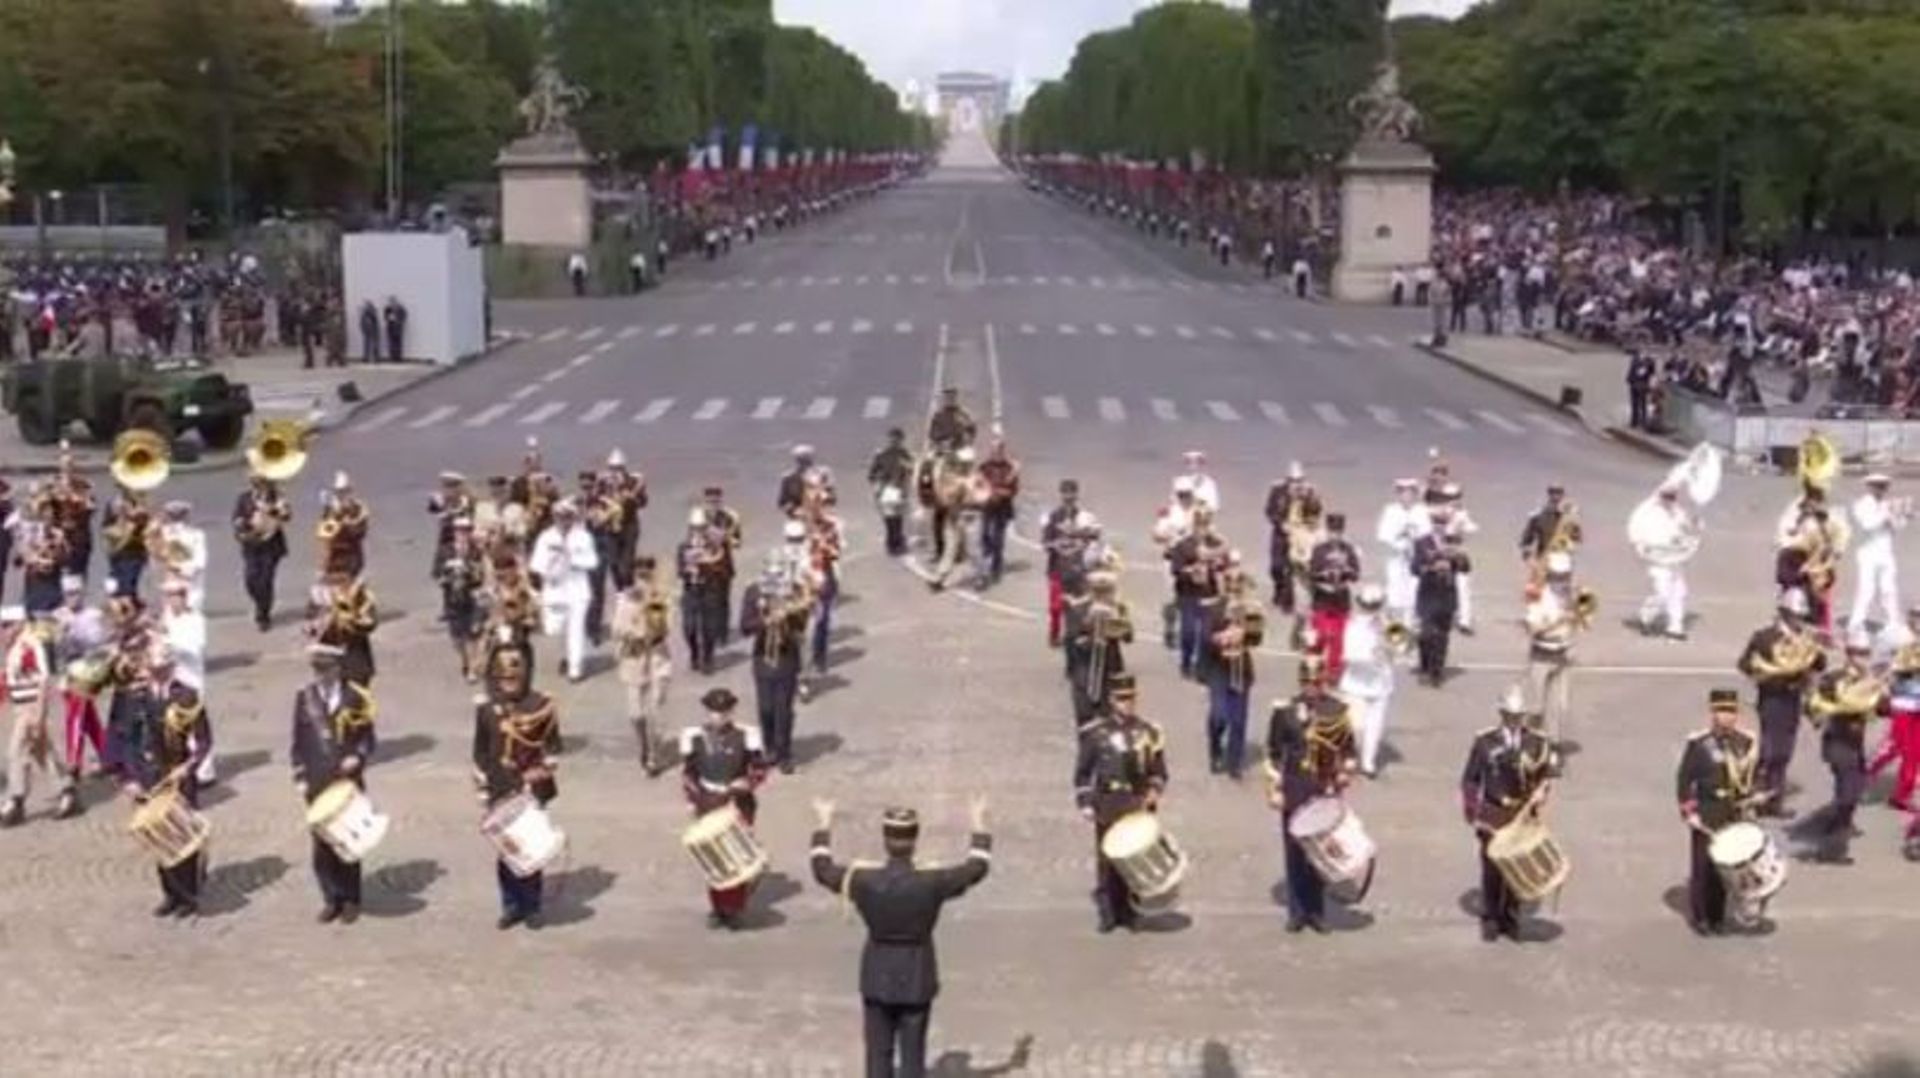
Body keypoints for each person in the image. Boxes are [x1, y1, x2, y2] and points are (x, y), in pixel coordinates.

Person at [810, 796, 992, 1078]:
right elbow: (976, 868)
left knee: (877, 1055)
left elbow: (822, 870)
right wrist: (979, 823)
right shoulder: (932, 882)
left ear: (885, 839)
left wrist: (823, 823)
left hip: (877, 975)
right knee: (913, 1057)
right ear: (915, 839)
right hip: (917, 975)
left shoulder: (864, 880)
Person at [471, 647, 560, 930]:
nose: (509, 682)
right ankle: (510, 904)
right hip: (500, 787)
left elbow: (553, 748)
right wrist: (482, 782)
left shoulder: (540, 705)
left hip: (530, 788)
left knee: (530, 847)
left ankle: (531, 905)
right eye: (504, 677)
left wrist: (543, 768)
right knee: (506, 851)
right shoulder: (487, 709)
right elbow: (481, 750)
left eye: (515, 676)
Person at [1461, 686, 1560, 942]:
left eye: (1518, 716)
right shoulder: (1485, 742)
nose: (1514, 721)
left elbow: (1545, 774)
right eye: (1509, 715)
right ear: (1501, 714)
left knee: (1518, 868)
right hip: (1493, 813)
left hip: (1521, 813)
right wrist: (1474, 812)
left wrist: (1542, 792)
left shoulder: (1536, 742)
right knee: (1492, 868)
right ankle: (1491, 917)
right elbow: (1471, 779)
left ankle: (1511, 917)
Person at [1072, 673, 1167, 933]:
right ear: (1111, 700)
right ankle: (1107, 911)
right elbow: (1083, 773)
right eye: (1121, 699)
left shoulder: (1147, 732)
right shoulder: (1096, 733)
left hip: (1135, 802)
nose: (1126, 704)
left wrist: (1154, 791)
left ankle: (1129, 910)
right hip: (1108, 801)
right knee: (1107, 859)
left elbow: (1158, 771)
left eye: (1130, 698)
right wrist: (1085, 803)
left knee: (1133, 860)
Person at [289, 644, 376, 924]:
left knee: (348, 840)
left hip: (348, 780)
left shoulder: (356, 697)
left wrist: (358, 756)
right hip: (317, 780)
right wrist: (300, 776)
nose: (320, 674)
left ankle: (352, 898)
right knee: (321, 846)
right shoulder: (305, 697)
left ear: (338, 668)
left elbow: (368, 738)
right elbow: (297, 741)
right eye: (317, 669)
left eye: (325, 669)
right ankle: (331, 898)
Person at [1267, 668, 1357, 933]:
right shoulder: (1285, 711)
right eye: (1306, 682)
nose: (1311, 687)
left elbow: (1349, 749)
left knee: (1320, 853)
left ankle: (1317, 911)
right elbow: (1273, 752)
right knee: (1294, 851)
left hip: (1323, 788)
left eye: (1316, 682)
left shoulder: (1337, 711)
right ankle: (1297, 911)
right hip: (1295, 787)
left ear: (1324, 682)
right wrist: (1274, 787)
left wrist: (1345, 772)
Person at [679, 688, 768, 929]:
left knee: (736, 854)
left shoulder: (747, 736)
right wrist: (693, 799)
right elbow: (689, 773)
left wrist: (744, 784)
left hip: (738, 801)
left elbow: (759, 770)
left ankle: (735, 907)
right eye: (714, 712)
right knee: (714, 857)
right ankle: (718, 907)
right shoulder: (693, 737)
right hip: (708, 800)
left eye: (723, 712)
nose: (718, 716)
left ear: (731, 712)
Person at [132, 653, 211, 918]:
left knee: (183, 835)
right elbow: (131, 737)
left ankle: (190, 895)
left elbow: (203, 741)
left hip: (179, 774)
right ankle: (170, 894)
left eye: (161, 668)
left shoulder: (187, 696)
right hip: (152, 776)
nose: (156, 672)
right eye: (152, 668)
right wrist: (131, 777)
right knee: (160, 835)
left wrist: (188, 767)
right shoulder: (141, 696)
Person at [1676, 689, 1761, 934]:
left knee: (1726, 867)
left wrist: (1754, 801)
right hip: (1707, 811)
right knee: (1703, 867)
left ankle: (1717, 916)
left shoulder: (1745, 743)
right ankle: (1701, 917)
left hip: (1733, 812)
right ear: (1712, 713)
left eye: (1731, 711)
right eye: (1721, 711)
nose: (1726, 717)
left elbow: (1751, 777)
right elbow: (1684, 779)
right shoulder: (1699, 744)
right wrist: (1689, 811)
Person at [1736, 590, 1823, 817]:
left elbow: (1818, 666)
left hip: (1793, 697)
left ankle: (1773, 800)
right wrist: (1763, 673)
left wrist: (1816, 649)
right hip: (1772, 697)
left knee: (1784, 751)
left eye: (1801, 616)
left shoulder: (1804, 638)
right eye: (1795, 615)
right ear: (1783, 613)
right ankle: (1749, 791)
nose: (1799, 620)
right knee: (1769, 750)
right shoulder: (1765, 637)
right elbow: (1745, 663)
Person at [1804, 635, 1888, 861]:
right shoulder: (1834, 679)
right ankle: (1831, 848)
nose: (1863, 659)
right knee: (1848, 792)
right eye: (1859, 654)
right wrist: (1823, 713)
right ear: (1849, 655)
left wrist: (1883, 694)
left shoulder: (1868, 680)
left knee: (1854, 788)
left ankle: (1834, 826)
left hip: (1855, 742)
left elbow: (1883, 710)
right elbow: (1814, 705)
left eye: (1866, 654)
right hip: (1837, 741)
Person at [2, 608, 71, 826]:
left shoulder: (30, 644)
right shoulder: (13, 647)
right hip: (20, 706)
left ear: (18, 624)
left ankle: (16, 798)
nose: (3, 631)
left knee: (16, 750)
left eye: (6, 626)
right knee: (42, 751)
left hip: (31, 706)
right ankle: (65, 789)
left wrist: (39, 713)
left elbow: (43, 679)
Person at [741, 554, 809, 773]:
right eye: (771, 575)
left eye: (779, 575)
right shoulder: (754, 592)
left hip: (787, 657)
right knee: (766, 708)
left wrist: (790, 614)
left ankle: (784, 752)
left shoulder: (794, 591)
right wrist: (766, 620)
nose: (775, 581)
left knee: (783, 710)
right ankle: (769, 747)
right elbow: (745, 626)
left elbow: (801, 625)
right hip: (763, 658)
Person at [1200, 565, 1261, 778]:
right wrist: (1223, 637)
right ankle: (1215, 746)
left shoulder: (1249, 609)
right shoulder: (1215, 608)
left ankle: (1234, 762)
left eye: (1238, 583)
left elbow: (1256, 638)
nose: (1235, 588)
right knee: (1219, 716)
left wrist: (1246, 631)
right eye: (1231, 583)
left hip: (1241, 668)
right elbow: (1206, 637)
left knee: (1238, 719)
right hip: (1220, 669)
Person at [612, 557, 672, 774]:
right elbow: (617, 629)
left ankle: (654, 757)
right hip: (634, 656)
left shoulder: (661, 597)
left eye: (648, 573)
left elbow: (666, 627)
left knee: (655, 709)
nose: (644, 578)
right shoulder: (626, 599)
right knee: (636, 713)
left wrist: (653, 605)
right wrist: (636, 618)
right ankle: (644, 744)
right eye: (640, 574)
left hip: (657, 656)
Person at [531, 499, 598, 683]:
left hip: (578, 590)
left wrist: (572, 558)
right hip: (554, 591)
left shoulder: (583, 537)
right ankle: (567, 657)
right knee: (555, 629)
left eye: (568, 517)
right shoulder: (546, 537)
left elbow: (593, 562)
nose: (564, 521)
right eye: (560, 517)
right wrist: (551, 564)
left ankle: (575, 668)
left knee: (576, 628)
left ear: (573, 517)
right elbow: (536, 565)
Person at [1522, 552, 1580, 743]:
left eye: (1565, 576)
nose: (1563, 581)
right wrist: (1557, 622)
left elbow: (1575, 623)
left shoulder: (1570, 597)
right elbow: (1533, 628)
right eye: (1558, 576)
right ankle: (1530, 743)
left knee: (1559, 706)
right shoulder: (1538, 596)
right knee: (1536, 707)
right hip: (1541, 654)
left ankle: (1552, 745)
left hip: (1562, 654)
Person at [1339, 584, 1395, 777]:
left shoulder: (1385, 624)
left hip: (1380, 682)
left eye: (1376, 606)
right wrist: (1373, 654)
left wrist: (1389, 642)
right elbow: (1349, 655)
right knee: (1356, 725)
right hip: (1357, 683)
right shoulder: (1353, 625)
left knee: (1375, 725)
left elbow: (1400, 645)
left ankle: (1368, 762)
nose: (1373, 610)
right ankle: (1350, 755)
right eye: (1370, 606)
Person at [1868, 604, 1920, 811]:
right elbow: (1878, 666)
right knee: (1895, 746)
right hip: (1902, 701)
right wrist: (1896, 669)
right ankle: (1865, 772)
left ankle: (1902, 794)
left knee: (1914, 752)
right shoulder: (1897, 638)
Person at [1631, 484, 1695, 640]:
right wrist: (1641, 545)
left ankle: (1675, 627)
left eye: (1672, 497)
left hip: (1674, 558)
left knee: (1679, 592)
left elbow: (1685, 530)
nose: (1670, 500)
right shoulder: (1649, 512)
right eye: (1667, 496)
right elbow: (1636, 530)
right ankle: (1646, 617)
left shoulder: (1678, 512)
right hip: (1657, 559)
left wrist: (1690, 533)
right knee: (1662, 592)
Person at [232, 473, 291, 632]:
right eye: (255, 484)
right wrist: (244, 525)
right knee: (250, 579)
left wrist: (271, 510)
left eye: (261, 484)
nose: (257, 488)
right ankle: (260, 602)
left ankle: (263, 615)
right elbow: (236, 518)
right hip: (251, 544)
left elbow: (286, 516)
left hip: (271, 545)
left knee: (265, 579)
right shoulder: (244, 498)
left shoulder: (277, 497)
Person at [1848, 474, 1906, 634]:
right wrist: (1884, 515)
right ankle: (1856, 623)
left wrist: (1899, 516)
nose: (1882, 489)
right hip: (1867, 553)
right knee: (1867, 588)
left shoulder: (1886, 505)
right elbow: (1867, 525)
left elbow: (1896, 528)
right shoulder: (1861, 505)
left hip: (1886, 552)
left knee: (1889, 588)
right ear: (1870, 487)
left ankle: (1893, 622)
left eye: (1884, 486)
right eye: (1878, 486)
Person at [1306, 514, 1360, 678]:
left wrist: (1346, 571)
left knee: (1338, 639)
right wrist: (1325, 574)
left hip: (1341, 599)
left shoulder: (1348, 550)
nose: (1335, 535)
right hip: (1322, 598)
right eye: (1332, 531)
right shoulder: (1319, 550)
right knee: (1320, 635)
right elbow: (1312, 574)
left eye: (1338, 532)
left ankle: (1334, 672)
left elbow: (1356, 574)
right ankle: (1312, 666)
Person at [1264, 462, 1321, 616]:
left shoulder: (1309, 492)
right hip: (1281, 534)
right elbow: (1269, 511)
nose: (1296, 484)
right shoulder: (1277, 491)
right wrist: (1280, 523)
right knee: (1276, 567)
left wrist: (1308, 501)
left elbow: (1316, 512)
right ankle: (1278, 589)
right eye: (1293, 480)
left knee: (1292, 568)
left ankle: (1287, 602)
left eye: (1299, 480)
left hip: (1299, 535)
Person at [1041, 480, 1092, 647]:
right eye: (1066, 493)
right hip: (1057, 567)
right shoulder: (1054, 517)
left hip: (1077, 568)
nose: (1069, 496)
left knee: (1077, 605)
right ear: (1061, 495)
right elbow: (1046, 542)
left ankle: (1074, 634)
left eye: (1072, 493)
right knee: (1056, 606)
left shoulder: (1083, 517)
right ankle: (1054, 633)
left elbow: (1090, 539)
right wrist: (1055, 545)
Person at [1412, 525, 1460, 686]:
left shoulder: (1453, 540)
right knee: (1426, 635)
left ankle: (1436, 672)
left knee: (1442, 637)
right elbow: (1414, 568)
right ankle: (1425, 663)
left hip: (1447, 596)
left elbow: (1465, 566)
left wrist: (1454, 560)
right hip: (1428, 595)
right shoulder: (1422, 543)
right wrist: (1432, 567)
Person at [1375, 479, 1427, 626]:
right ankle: (1396, 622)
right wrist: (1398, 542)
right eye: (1403, 493)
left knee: (1414, 588)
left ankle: (1410, 621)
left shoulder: (1421, 511)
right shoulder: (1390, 511)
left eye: (1410, 493)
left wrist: (1415, 541)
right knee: (1395, 589)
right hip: (1396, 557)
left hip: (1415, 558)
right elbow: (1383, 535)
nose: (1406, 496)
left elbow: (1426, 533)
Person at [677, 510, 723, 675]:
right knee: (689, 627)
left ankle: (708, 658)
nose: (698, 531)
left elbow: (721, 568)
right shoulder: (684, 546)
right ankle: (695, 652)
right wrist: (688, 568)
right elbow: (679, 571)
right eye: (695, 527)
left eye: (701, 527)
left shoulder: (714, 546)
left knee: (709, 627)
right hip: (691, 590)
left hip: (709, 590)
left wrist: (707, 564)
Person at [976, 439, 1020, 585]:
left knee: (998, 538)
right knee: (985, 535)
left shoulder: (1009, 469)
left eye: (998, 450)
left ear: (1002, 451)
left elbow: (1013, 490)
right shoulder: (984, 467)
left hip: (1002, 508)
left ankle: (996, 566)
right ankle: (986, 562)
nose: (995, 453)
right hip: (987, 507)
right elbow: (977, 484)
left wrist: (1000, 492)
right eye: (993, 450)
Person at [867, 428, 915, 557]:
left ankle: (897, 540)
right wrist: (879, 482)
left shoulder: (905, 454)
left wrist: (907, 471)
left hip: (900, 488)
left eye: (897, 439)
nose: (895, 442)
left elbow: (912, 470)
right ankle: (892, 541)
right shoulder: (882, 455)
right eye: (892, 439)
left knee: (898, 517)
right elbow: (872, 474)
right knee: (890, 517)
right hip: (887, 488)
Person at [100, 485, 152, 600]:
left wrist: (136, 516)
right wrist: (114, 533)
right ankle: (120, 609)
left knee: (129, 587)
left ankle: (130, 609)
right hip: (117, 552)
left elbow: (147, 527)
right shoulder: (113, 503)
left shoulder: (140, 503)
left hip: (135, 552)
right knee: (115, 586)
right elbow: (105, 526)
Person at [382, 295, 407, 362]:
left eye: (393, 301)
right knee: (391, 343)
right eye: (391, 301)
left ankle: (398, 357)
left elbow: (404, 316)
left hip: (398, 328)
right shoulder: (387, 309)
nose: (392, 303)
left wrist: (399, 320)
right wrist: (389, 318)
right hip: (390, 328)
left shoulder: (400, 308)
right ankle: (392, 357)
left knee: (398, 343)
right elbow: (385, 317)